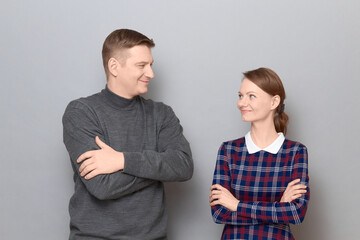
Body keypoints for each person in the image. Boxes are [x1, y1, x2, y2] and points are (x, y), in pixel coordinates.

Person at [62, 29, 193, 240]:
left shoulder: (162, 114)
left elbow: (184, 166)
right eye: (141, 65)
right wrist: (159, 170)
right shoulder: (81, 112)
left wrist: (122, 160)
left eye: (151, 65)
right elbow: (102, 186)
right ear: (114, 66)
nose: (151, 74)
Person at [209, 67, 309, 240]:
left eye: (251, 96)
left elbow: (296, 214)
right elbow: (219, 213)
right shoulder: (228, 150)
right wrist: (278, 208)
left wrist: (236, 205)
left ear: (274, 102)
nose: (241, 103)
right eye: (240, 96)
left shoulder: (296, 152)